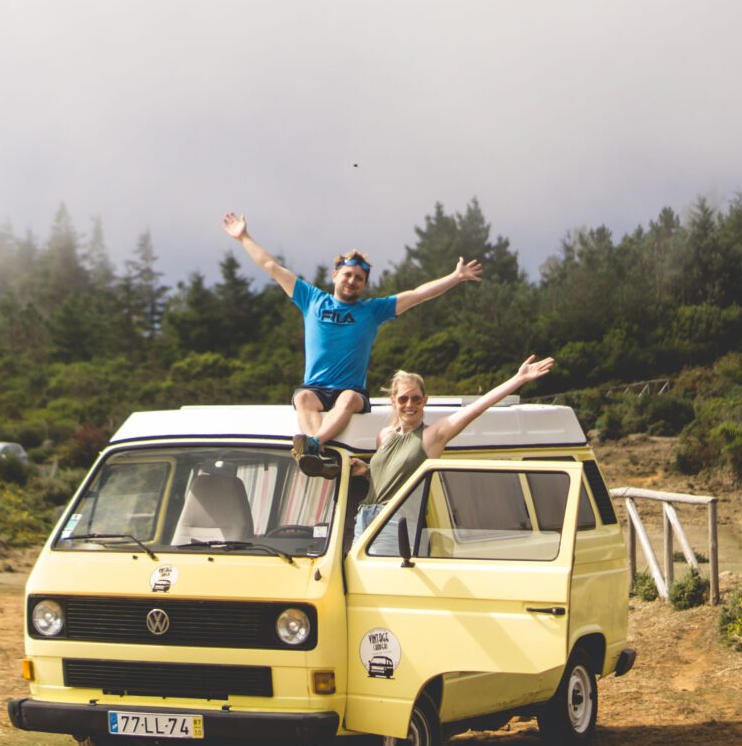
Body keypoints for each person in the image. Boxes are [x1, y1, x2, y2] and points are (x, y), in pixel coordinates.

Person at [221, 211, 482, 476]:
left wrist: (455, 277)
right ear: (335, 275)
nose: (352, 281)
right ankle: (316, 456)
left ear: (364, 285)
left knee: (345, 399)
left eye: (359, 278)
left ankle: (314, 446)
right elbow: (271, 266)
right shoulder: (311, 299)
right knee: (303, 399)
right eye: (347, 275)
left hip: (352, 391)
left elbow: (417, 295)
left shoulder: (372, 310)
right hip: (316, 388)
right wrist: (243, 237)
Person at [349, 355, 556, 545]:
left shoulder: (432, 435)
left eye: (416, 399)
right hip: (365, 517)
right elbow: (396, 479)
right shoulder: (383, 436)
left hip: (396, 523)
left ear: (425, 401)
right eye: (403, 398)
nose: (409, 404)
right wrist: (368, 471)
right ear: (393, 400)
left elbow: (475, 409)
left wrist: (518, 379)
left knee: (381, 582)